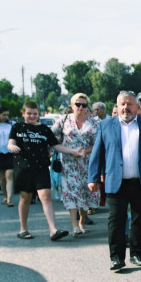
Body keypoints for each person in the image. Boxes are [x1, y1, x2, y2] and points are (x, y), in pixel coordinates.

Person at [87, 91, 141, 271]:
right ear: (117, 107)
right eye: (122, 104)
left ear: (137, 107)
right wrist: (93, 177)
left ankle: (137, 253)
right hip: (115, 181)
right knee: (116, 221)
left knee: (140, 219)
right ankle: (116, 258)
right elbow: (98, 153)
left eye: (129, 104)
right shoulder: (106, 125)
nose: (126, 107)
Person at [8, 101, 85, 241]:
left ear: (38, 114)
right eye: (29, 113)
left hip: (41, 167)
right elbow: (11, 142)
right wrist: (11, 146)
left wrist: (73, 151)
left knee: (45, 196)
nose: (32, 116)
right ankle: (23, 229)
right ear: (23, 113)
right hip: (23, 168)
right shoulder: (17, 127)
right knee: (25, 198)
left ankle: (53, 230)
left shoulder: (44, 129)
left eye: (35, 114)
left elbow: (56, 146)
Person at [52, 93, 100, 235]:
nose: (80, 107)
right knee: (71, 193)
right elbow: (51, 136)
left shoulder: (94, 123)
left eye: (84, 105)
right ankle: (74, 226)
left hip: (88, 163)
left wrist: (85, 151)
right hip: (69, 163)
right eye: (77, 104)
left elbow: (98, 143)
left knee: (85, 194)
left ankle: (81, 221)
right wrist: (67, 150)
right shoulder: (64, 120)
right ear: (72, 106)